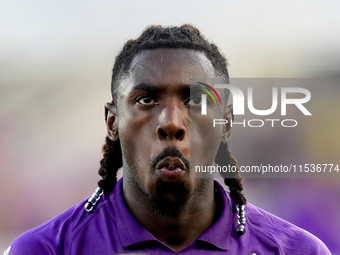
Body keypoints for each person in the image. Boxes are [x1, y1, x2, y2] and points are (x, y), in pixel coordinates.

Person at [4, 24, 331, 255]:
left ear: (225, 124)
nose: (171, 122)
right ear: (113, 122)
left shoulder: (296, 250)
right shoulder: (45, 249)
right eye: (146, 100)